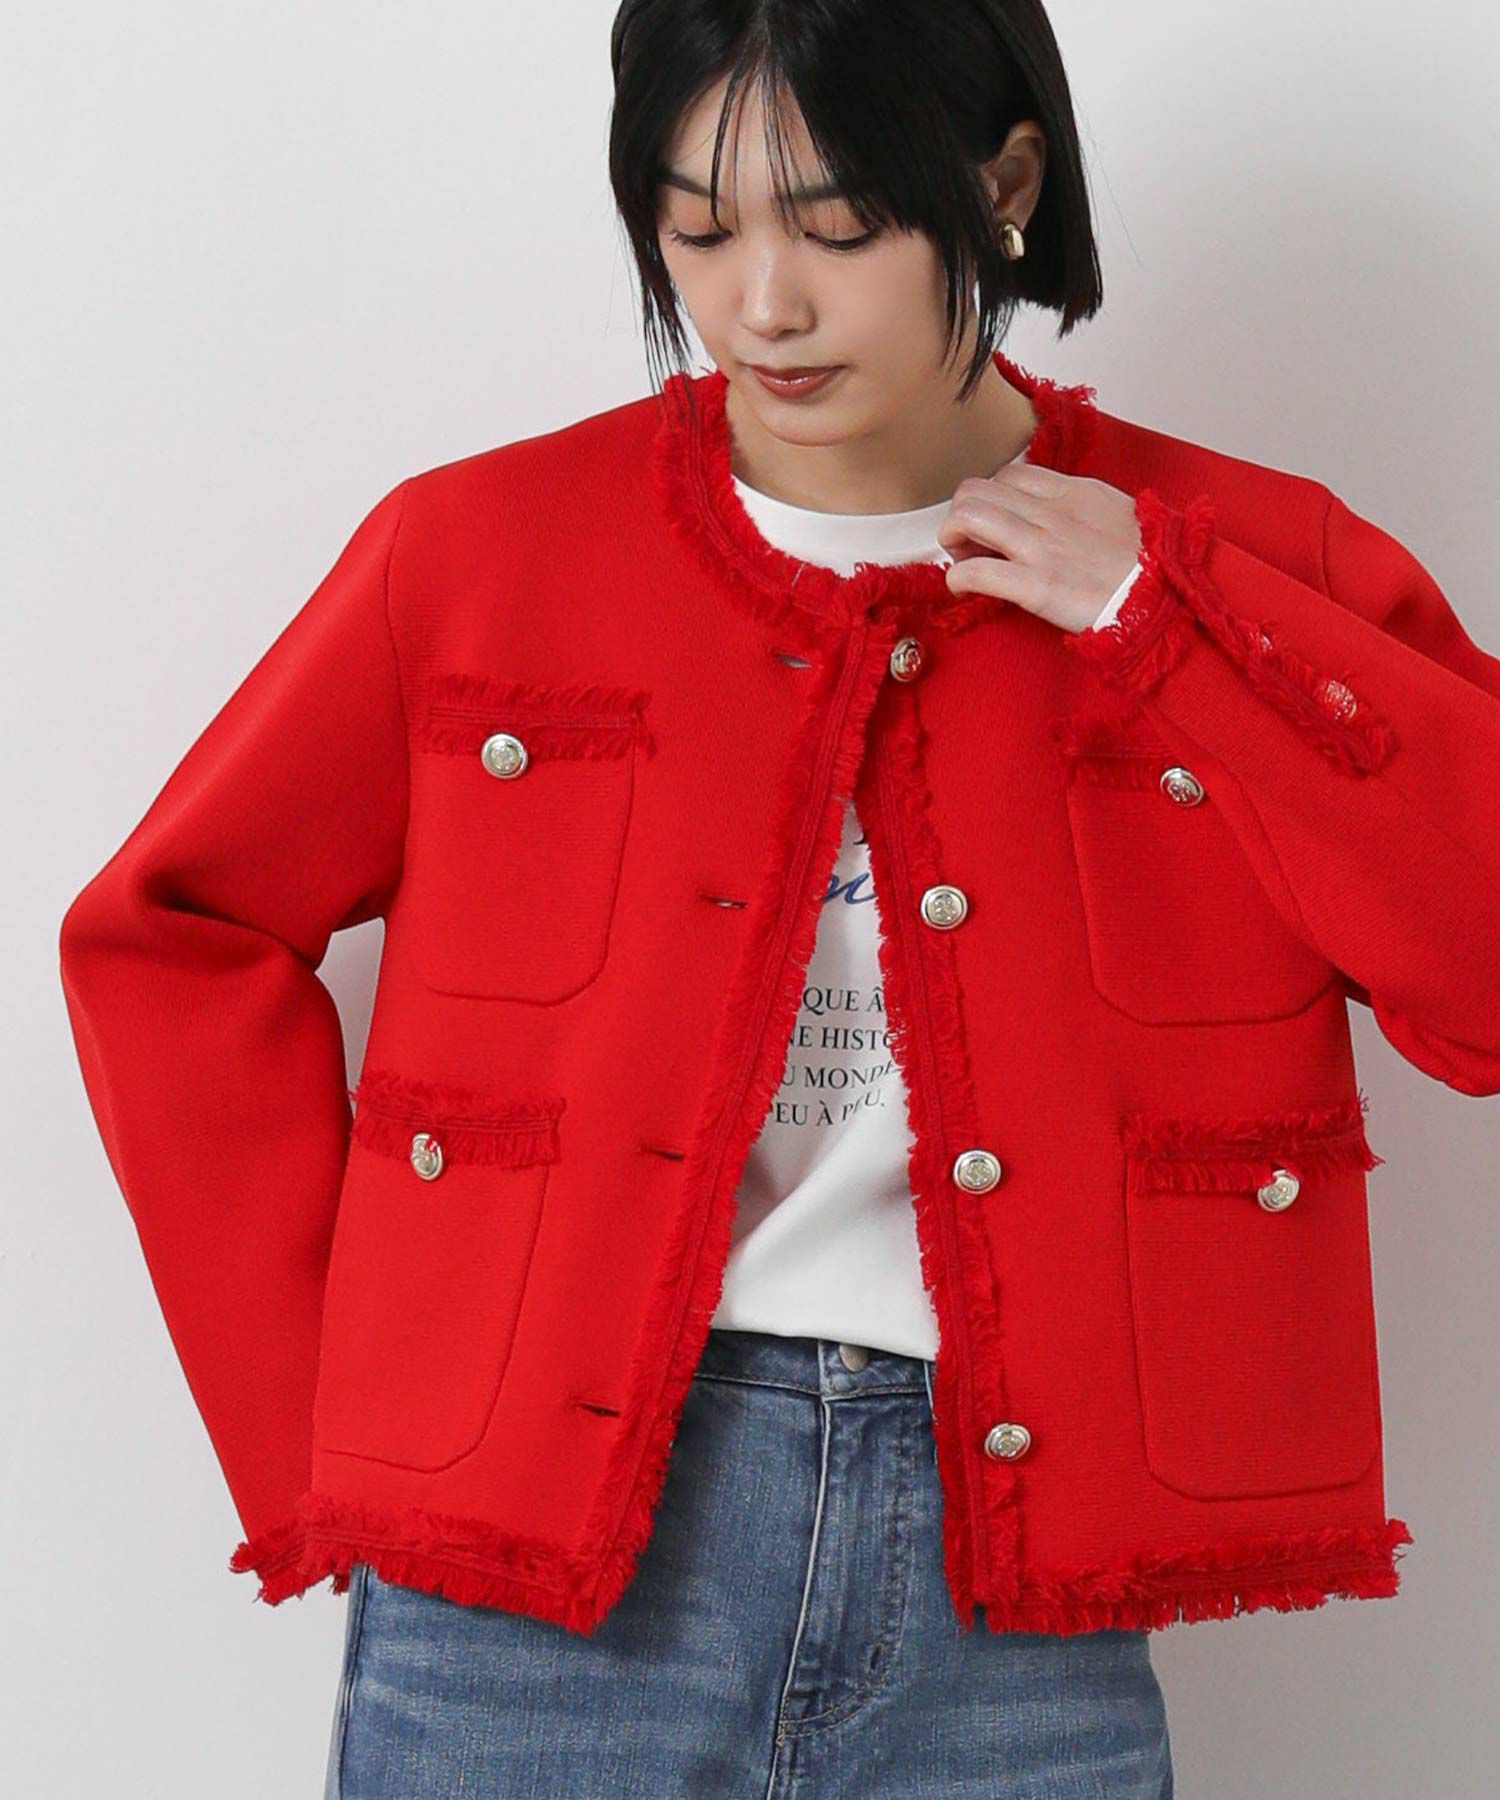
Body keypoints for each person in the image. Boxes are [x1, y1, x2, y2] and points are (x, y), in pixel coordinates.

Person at [58, 4, 1500, 1797]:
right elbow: (171, 933)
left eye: (838, 229)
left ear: (1006, 184)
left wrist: (1164, 625)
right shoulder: (483, 555)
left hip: (1012, 1592)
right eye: (696, 227)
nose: (762, 307)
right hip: (539, 1579)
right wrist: (347, 1440)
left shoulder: (1238, 560)